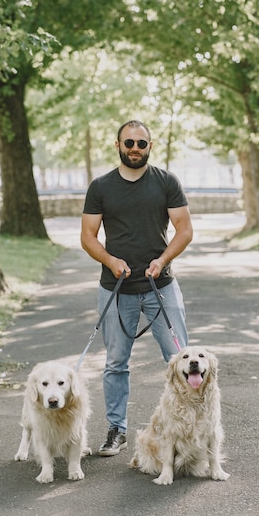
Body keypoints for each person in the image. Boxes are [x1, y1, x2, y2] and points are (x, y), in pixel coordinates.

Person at [80, 120, 193, 456]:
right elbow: (88, 236)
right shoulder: (101, 186)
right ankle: (117, 430)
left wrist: (162, 260)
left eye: (141, 143)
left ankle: (188, 430)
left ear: (150, 145)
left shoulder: (166, 182)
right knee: (116, 362)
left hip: (162, 287)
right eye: (128, 142)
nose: (134, 148)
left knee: (181, 359)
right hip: (116, 289)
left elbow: (184, 230)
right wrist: (111, 260)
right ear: (117, 145)